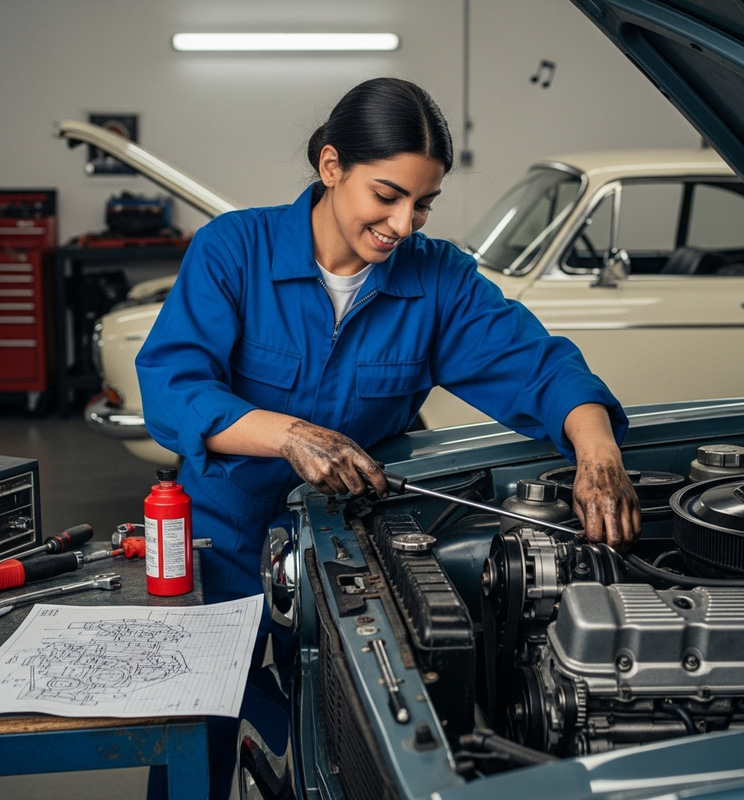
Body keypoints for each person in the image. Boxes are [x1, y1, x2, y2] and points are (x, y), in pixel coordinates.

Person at [137, 74, 640, 798]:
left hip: (347, 554)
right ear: (332, 166)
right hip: (223, 544)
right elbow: (174, 386)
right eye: (387, 195)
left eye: (424, 203)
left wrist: (598, 453)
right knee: (201, 727)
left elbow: (538, 366)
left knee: (337, 745)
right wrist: (289, 436)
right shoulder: (233, 251)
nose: (405, 224)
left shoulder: (439, 282)